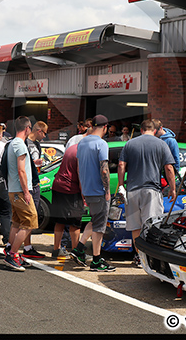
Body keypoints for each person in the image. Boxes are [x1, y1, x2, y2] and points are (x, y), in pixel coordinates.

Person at [117, 119, 177, 267]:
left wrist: (120, 184)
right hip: (152, 190)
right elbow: (169, 168)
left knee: (136, 226)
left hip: (132, 191)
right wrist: (173, 188)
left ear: (141, 130)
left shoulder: (130, 144)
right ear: (154, 131)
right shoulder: (161, 144)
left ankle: (139, 257)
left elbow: (121, 165)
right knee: (151, 225)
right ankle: (149, 258)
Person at [71, 114, 115, 272]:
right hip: (99, 191)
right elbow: (104, 169)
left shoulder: (82, 142)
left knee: (95, 220)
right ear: (105, 127)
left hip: (88, 189)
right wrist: (108, 190)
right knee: (99, 227)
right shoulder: (101, 144)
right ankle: (96, 260)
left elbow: (79, 167)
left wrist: (82, 187)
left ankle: (79, 249)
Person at [2, 116, 39, 271]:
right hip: (20, 190)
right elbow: (21, 170)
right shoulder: (20, 145)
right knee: (31, 221)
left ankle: (12, 251)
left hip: (13, 189)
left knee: (17, 222)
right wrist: (26, 191)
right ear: (27, 128)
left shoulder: (11, 143)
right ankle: (12, 254)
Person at [50, 144, 82, 259]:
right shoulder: (81, 151)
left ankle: (56, 249)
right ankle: (76, 252)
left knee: (60, 220)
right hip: (70, 188)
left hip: (58, 185)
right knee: (75, 222)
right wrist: (83, 194)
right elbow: (80, 173)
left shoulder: (71, 148)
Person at [22, 120, 48, 259]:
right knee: (28, 217)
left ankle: (27, 246)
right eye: (44, 133)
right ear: (39, 131)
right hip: (27, 184)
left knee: (32, 217)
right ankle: (15, 248)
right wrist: (33, 163)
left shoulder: (37, 144)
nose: (44, 136)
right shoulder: (24, 143)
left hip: (35, 181)